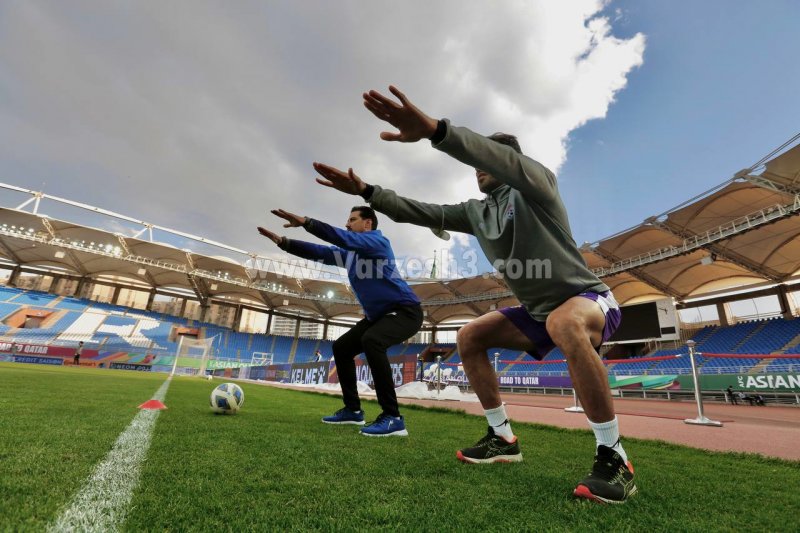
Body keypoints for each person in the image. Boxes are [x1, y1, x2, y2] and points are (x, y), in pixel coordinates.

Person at [312, 85, 634, 503]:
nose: (477, 168)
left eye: (485, 160)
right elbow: (422, 211)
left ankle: (615, 456)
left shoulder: (537, 187)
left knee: (563, 321)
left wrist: (435, 130)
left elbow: (495, 157)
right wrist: (369, 193)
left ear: (508, 162)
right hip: (539, 312)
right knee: (469, 337)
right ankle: (502, 438)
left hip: (587, 299)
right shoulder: (476, 212)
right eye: (476, 163)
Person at [257, 206, 423, 437]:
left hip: (405, 311)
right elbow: (322, 252)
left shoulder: (378, 242)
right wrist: (285, 243)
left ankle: (393, 418)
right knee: (342, 348)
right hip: (378, 317)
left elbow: (341, 237)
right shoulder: (350, 255)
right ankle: (353, 411)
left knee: (372, 340)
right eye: (347, 220)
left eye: (352, 220)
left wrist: (307, 222)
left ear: (368, 224)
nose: (347, 224)